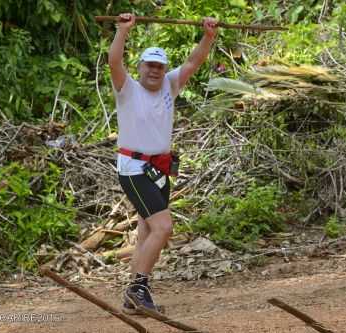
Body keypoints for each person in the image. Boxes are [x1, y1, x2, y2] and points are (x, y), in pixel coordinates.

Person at [108, 12, 218, 314]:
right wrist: (123, 31)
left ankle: (134, 293)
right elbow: (114, 62)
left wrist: (208, 36)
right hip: (133, 168)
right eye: (150, 65)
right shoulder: (127, 88)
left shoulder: (170, 85)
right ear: (140, 67)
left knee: (147, 229)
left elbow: (193, 63)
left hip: (160, 168)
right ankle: (138, 288)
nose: (155, 71)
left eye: (159, 66)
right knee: (163, 227)